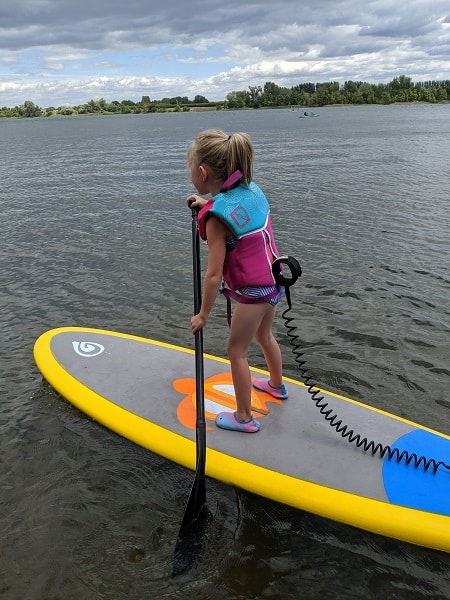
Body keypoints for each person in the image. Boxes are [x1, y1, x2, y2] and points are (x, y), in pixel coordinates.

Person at [186, 129, 288, 434]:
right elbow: (236, 209)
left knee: (236, 351)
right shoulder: (253, 191)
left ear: (202, 172)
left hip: (252, 293)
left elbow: (214, 274)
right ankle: (276, 385)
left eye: (191, 169)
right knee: (264, 337)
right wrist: (207, 203)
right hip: (275, 281)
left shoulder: (217, 220)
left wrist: (203, 314)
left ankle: (244, 417)